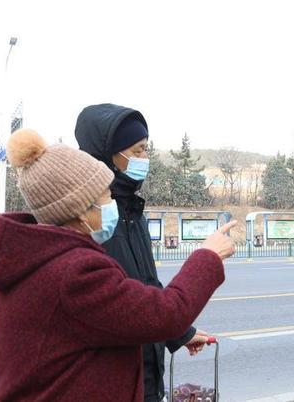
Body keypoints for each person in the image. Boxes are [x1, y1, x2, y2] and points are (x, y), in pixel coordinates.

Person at [0, 129, 236, 401]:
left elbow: (122, 314)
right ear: (79, 209)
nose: (112, 204)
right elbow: (164, 314)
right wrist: (208, 256)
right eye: (105, 196)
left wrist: (181, 335)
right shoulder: (74, 272)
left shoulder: (36, 259)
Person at [74, 103, 214, 402]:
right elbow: (121, 307)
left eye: (146, 149)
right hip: (116, 383)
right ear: (107, 155)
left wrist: (180, 333)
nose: (145, 159)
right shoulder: (89, 221)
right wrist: (208, 259)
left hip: (148, 377)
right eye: (137, 151)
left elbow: (146, 287)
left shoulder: (131, 211)